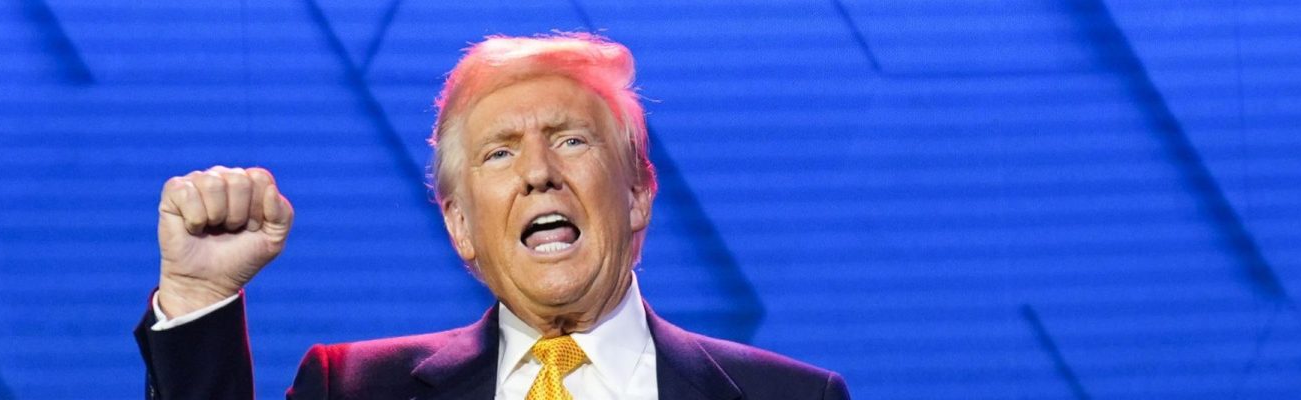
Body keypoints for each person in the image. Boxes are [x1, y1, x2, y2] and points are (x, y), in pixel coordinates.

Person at [134, 33, 849, 400]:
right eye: (500, 153)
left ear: (638, 194)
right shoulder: (353, 389)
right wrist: (199, 299)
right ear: (460, 227)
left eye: (572, 140)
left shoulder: (792, 397)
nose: (539, 171)